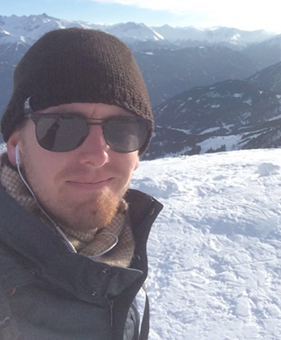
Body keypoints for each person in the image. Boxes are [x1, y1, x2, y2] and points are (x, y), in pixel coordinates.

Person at [0, 28, 163, 340]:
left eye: (123, 130)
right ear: (15, 145)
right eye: (61, 128)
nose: (97, 156)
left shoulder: (121, 251)